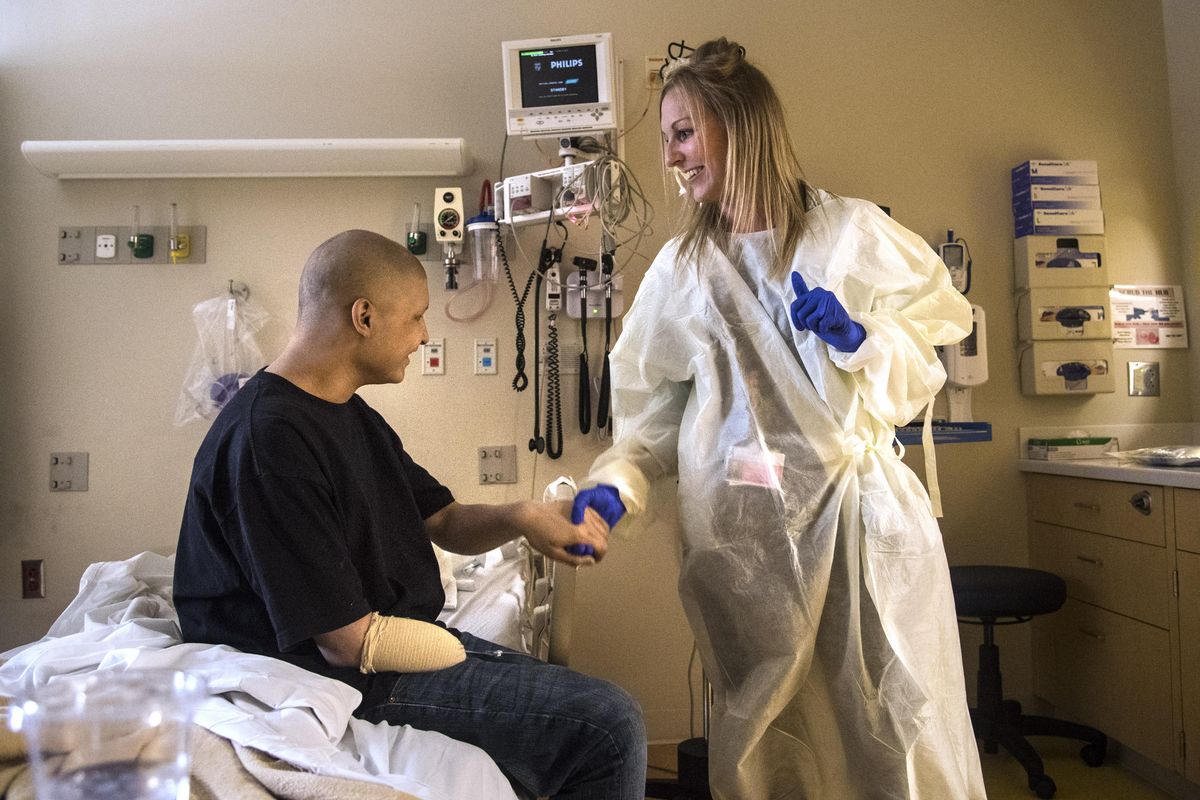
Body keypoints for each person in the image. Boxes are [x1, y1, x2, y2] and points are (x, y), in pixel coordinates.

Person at [572, 39, 987, 799]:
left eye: (685, 132)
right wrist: (618, 484)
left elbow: (937, 332)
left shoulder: (850, 234)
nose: (672, 156)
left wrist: (861, 339)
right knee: (764, 744)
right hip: (745, 553)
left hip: (860, 537)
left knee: (889, 733)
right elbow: (653, 415)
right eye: (667, 137)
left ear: (742, 125)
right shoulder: (683, 269)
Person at [174, 229, 647, 800]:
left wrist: (523, 516)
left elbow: (443, 519)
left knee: (579, 713)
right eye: (417, 317)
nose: (424, 336)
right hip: (338, 677)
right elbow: (347, 644)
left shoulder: (346, 413)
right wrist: (452, 650)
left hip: (385, 645)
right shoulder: (271, 440)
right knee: (608, 728)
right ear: (364, 317)